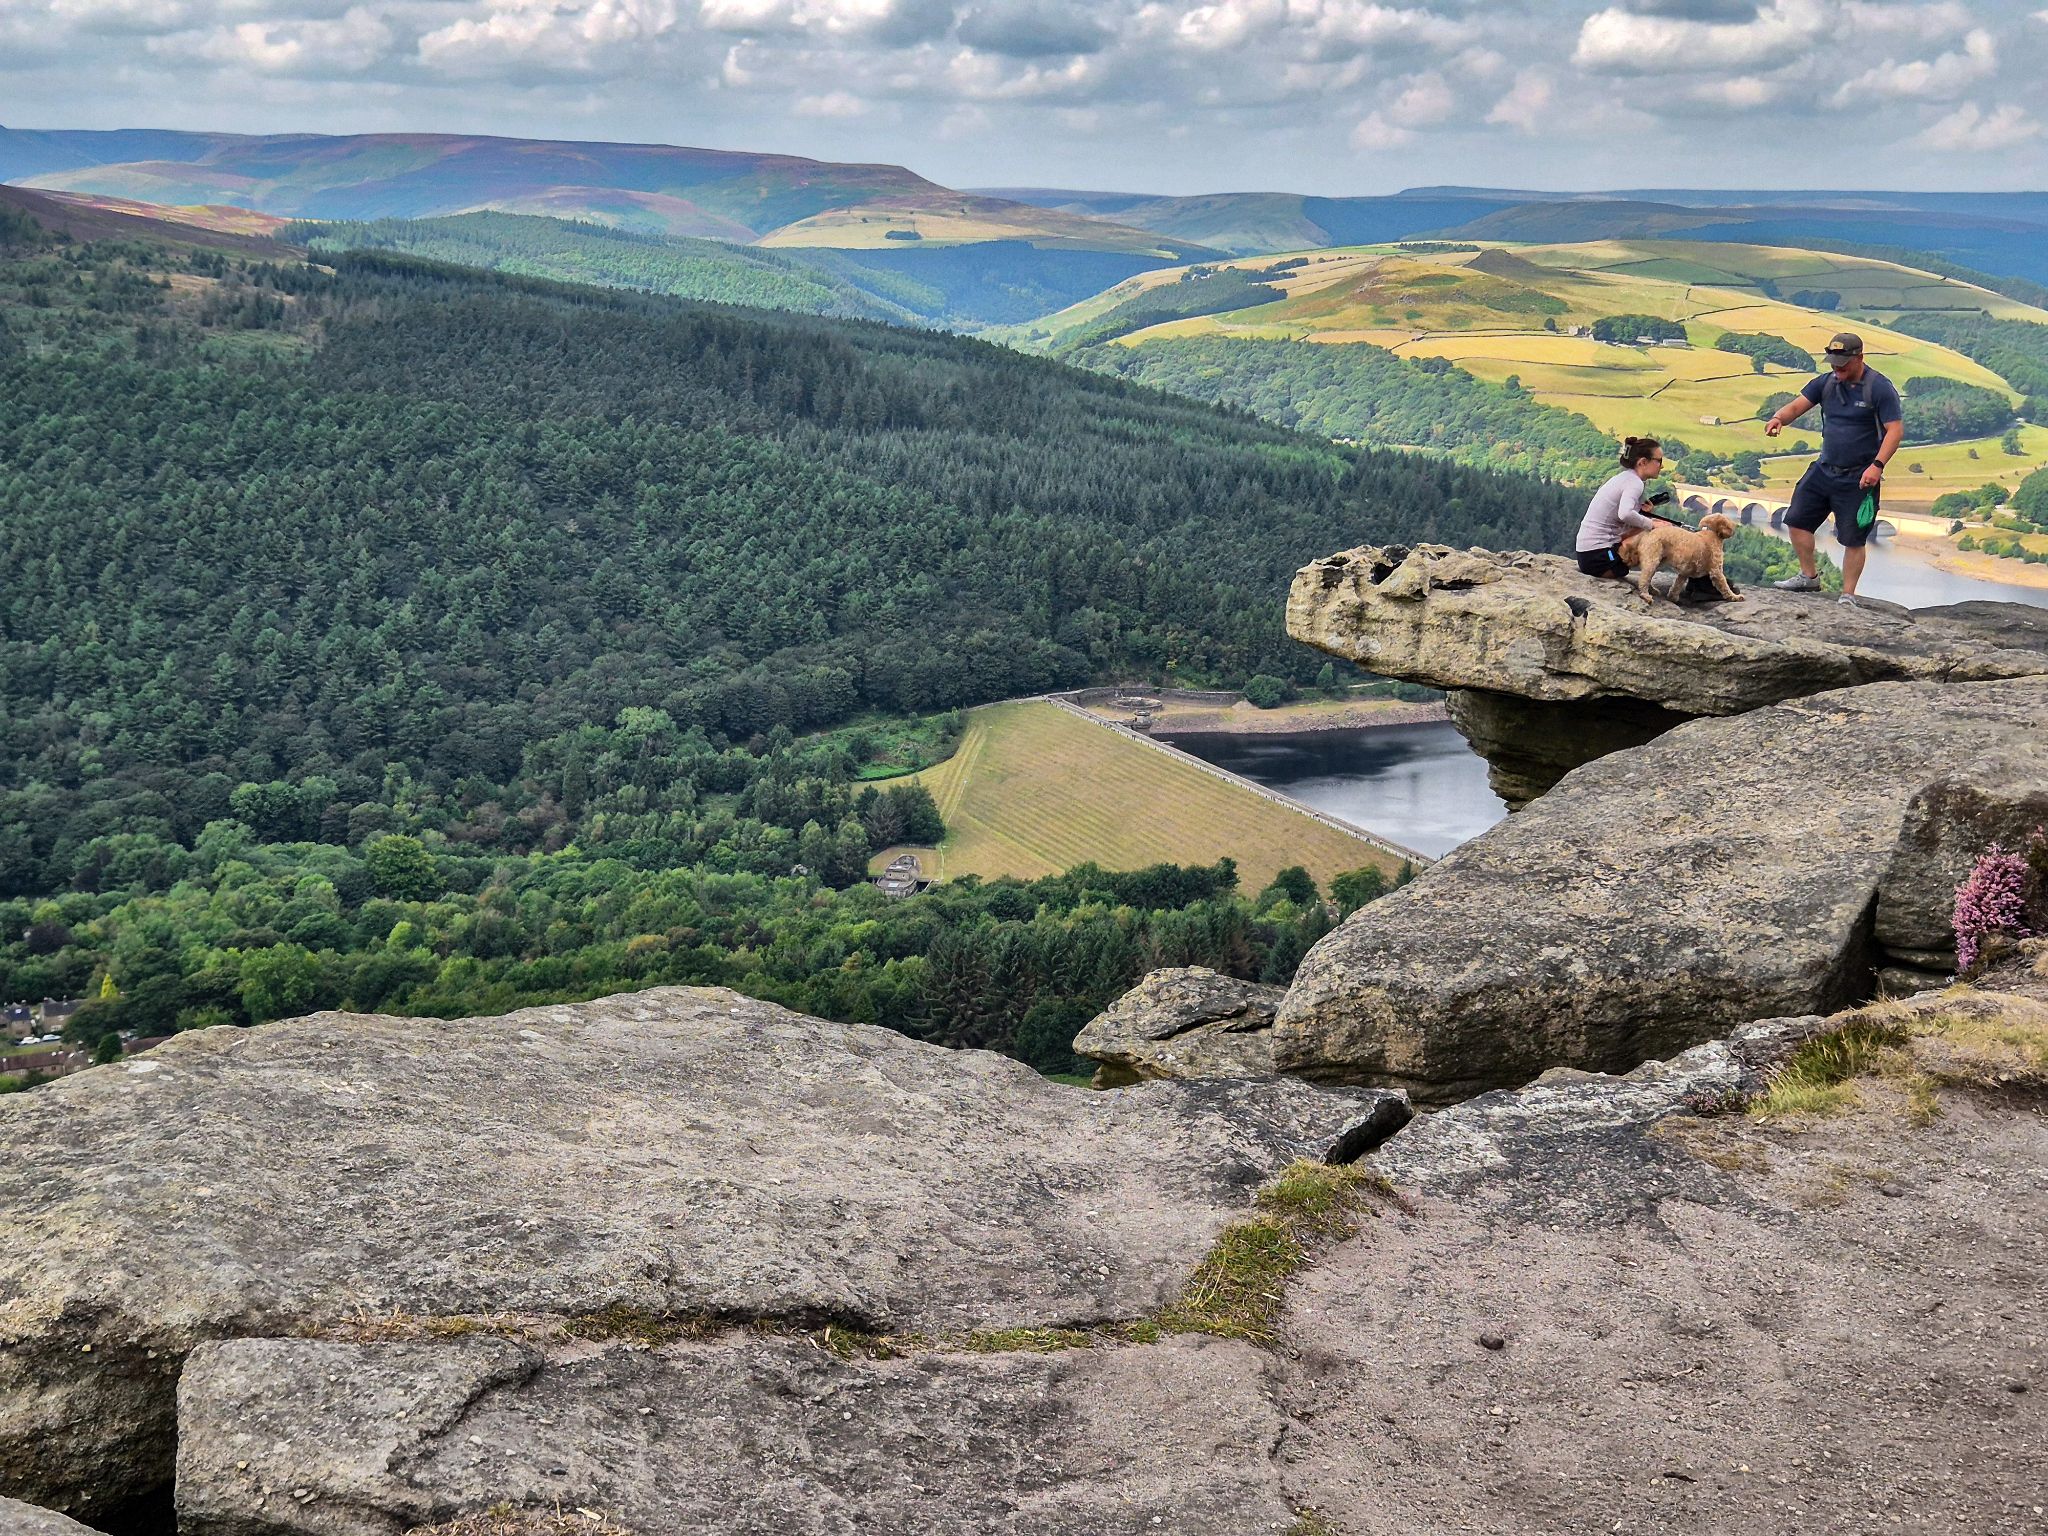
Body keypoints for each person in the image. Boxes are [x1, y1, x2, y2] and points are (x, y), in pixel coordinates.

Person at [1762, 331, 1903, 604]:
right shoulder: (1825, 383)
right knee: (1796, 520)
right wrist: (1779, 418)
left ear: (1859, 358)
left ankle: (1848, 594)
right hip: (1825, 468)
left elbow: (1894, 431)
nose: (1837, 369)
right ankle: (1809, 577)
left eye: (1842, 364)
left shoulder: (1879, 388)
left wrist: (1877, 466)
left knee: (1853, 537)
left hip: (1860, 476)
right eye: (1833, 364)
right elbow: (1797, 406)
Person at [1575, 436, 1667, 580]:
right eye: (1659, 461)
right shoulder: (1635, 483)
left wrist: (1645, 516)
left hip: (1588, 554)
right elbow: (1624, 514)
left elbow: (1623, 522)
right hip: (1600, 558)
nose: (1662, 466)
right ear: (1643, 462)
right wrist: (1652, 524)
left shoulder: (1625, 477)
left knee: (1647, 530)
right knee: (1659, 536)